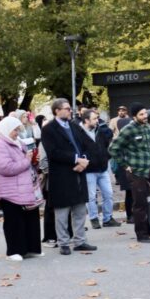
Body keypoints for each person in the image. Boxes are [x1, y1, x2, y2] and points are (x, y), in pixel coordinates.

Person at [40, 99, 96, 256]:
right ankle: (63, 242)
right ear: (56, 111)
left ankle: (80, 241)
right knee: (62, 212)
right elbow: (53, 152)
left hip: (79, 172)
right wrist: (75, 159)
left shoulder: (74, 126)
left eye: (70, 109)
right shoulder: (49, 129)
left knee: (79, 209)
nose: (70, 111)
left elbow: (86, 145)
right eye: (66, 109)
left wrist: (83, 160)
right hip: (62, 175)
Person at [0, 116, 43, 261]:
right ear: (6, 130)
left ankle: (31, 248)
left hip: (24, 188)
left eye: (18, 130)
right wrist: (27, 160)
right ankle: (14, 251)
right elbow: (6, 168)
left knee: (30, 218)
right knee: (14, 221)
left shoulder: (18, 143)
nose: (17, 133)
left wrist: (33, 161)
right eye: (14, 130)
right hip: (8, 190)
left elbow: (25, 163)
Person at [109, 103, 150, 243]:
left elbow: (149, 148)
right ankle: (142, 234)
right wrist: (125, 164)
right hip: (137, 172)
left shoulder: (148, 127)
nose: (145, 116)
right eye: (141, 114)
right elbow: (113, 148)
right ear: (134, 116)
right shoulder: (128, 130)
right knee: (140, 204)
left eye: (145, 113)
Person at [78, 109, 118, 230]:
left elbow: (107, 141)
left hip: (103, 168)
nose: (97, 121)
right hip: (89, 170)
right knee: (91, 196)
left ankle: (108, 218)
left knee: (109, 194)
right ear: (86, 120)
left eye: (97, 118)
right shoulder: (78, 132)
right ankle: (94, 218)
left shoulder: (99, 129)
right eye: (94, 119)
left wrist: (107, 156)